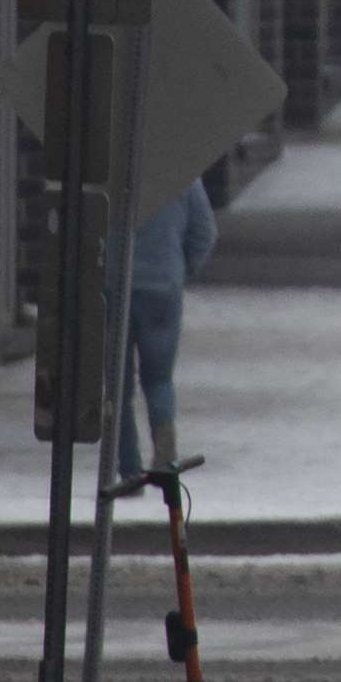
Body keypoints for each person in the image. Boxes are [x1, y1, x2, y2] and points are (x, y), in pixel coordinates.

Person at [121, 167, 222, 483]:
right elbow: (204, 231)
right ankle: (165, 456)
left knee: (116, 386)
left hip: (112, 288)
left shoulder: (108, 177)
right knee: (159, 379)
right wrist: (182, 268)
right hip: (163, 288)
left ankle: (126, 468)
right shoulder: (182, 177)